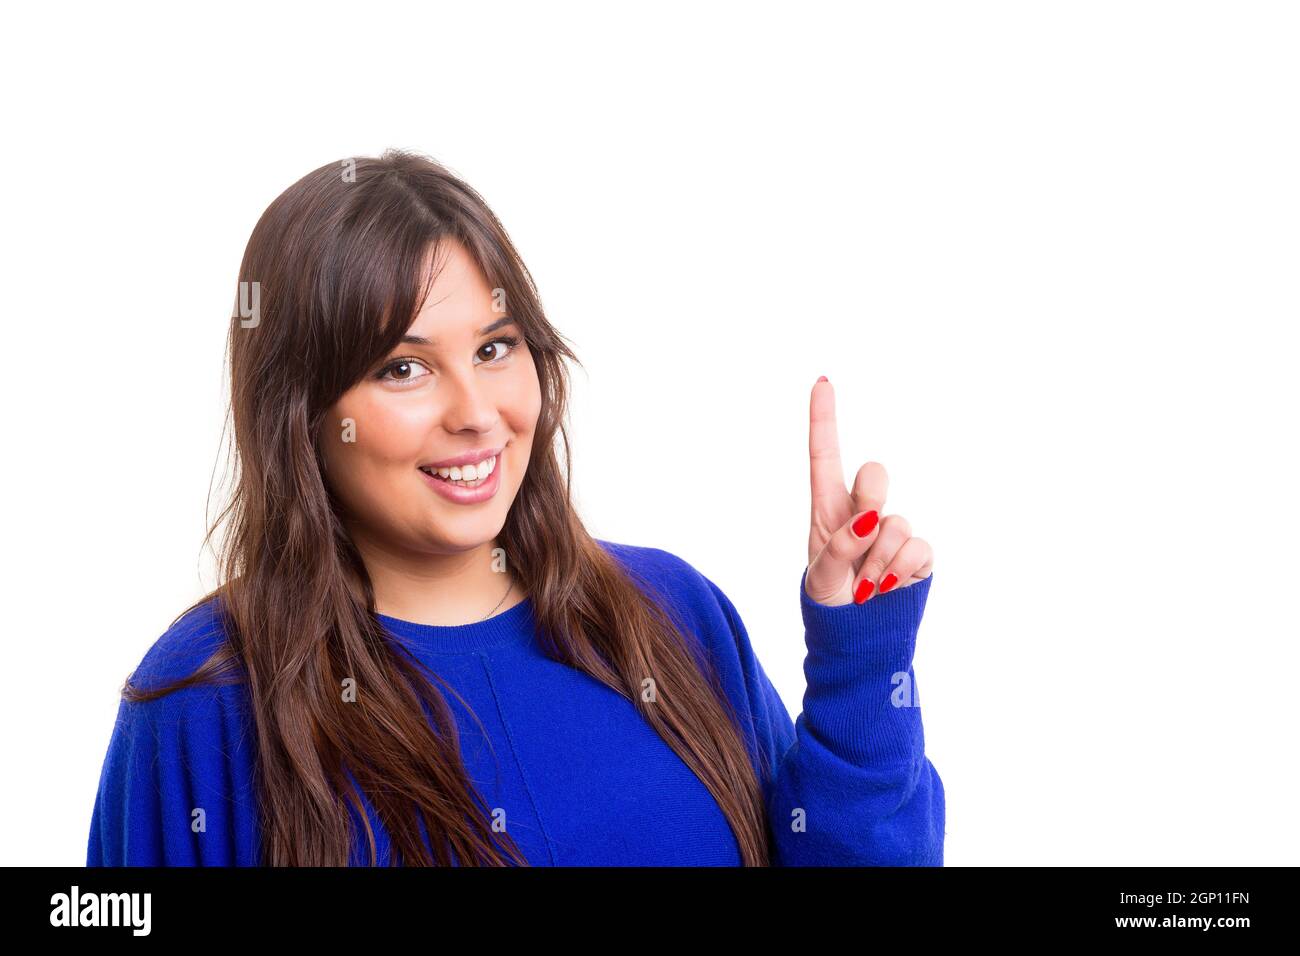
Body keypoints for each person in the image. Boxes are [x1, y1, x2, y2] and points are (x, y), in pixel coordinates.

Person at [86, 150, 943, 866]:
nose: (476, 411)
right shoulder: (204, 696)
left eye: (496, 348)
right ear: (302, 412)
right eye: (404, 368)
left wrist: (858, 659)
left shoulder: (669, 612)